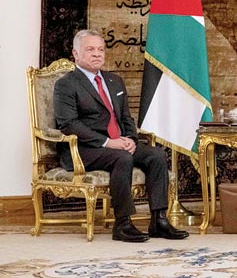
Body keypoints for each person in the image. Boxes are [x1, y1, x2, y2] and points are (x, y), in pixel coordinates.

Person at [54, 30, 189, 242]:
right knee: (122, 158)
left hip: (118, 143)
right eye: (90, 49)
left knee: (156, 155)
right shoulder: (66, 84)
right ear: (76, 54)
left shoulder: (114, 81)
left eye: (100, 49)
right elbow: (69, 124)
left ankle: (159, 220)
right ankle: (123, 224)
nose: (97, 54)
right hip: (85, 149)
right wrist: (108, 142)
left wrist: (131, 140)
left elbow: (126, 118)